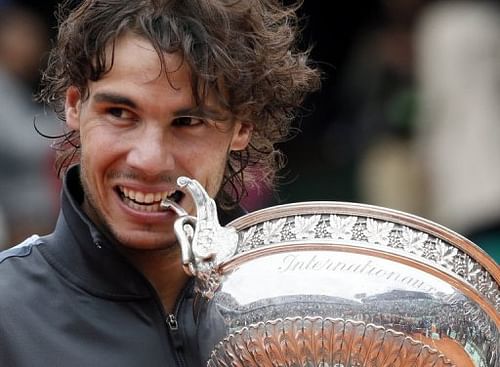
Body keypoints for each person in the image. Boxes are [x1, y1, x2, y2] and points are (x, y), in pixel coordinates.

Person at [0, 0, 320, 366]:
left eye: (187, 122)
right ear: (74, 106)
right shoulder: (7, 315)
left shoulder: (297, 316)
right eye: (119, 114)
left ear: (241, 127)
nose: (149, 161)